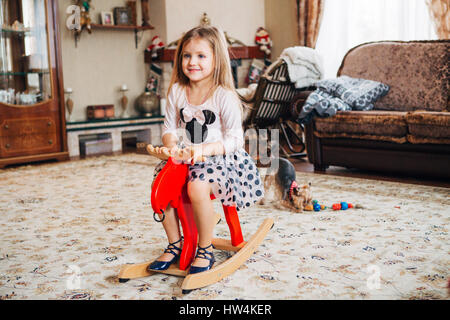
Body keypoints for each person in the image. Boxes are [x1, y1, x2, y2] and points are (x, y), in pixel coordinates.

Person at [147, 25, 264, 275]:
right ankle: (175, 243)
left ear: (215, 59)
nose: (193, 62)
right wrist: (170, 146)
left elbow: (235, 139)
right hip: (184, 157)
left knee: (196, 187)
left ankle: (205, 247)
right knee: (162, 185)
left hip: (220, 159)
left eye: (201, 56)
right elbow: (169, 127)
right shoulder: (178, 91)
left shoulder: (224, 95)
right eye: (187, 55)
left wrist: (206, 149)